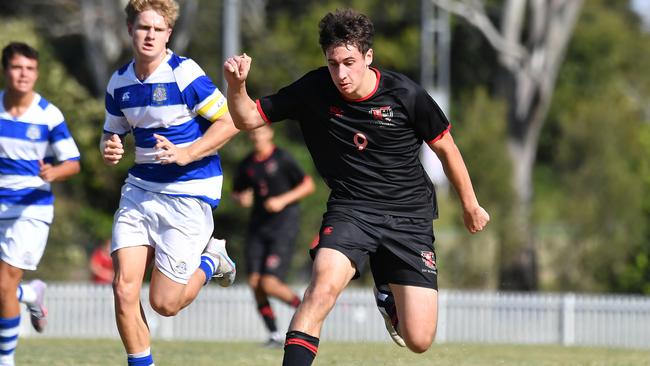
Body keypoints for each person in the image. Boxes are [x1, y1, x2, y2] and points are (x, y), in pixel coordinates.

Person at [224, 8, 490, 365]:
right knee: (320, 292)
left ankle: (386, 292)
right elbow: (247, 119)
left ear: (368, 57)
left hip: (409, 217)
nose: (341, 74)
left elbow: (446, 148)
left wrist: (470, 205)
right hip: (352, 210)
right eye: (333, 64)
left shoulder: (406, 94)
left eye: (349, 62)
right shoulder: (314, 89)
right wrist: (237, 86)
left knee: (420, 339)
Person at [100, 1, 239, 365]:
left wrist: (187, 153)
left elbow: (230, 122)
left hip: (188, 194)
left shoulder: (184, 74)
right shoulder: (119, 82)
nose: (149, 36)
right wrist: (110, 148)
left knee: (164, 304)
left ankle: (212, 259)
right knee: (123, 289)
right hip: (139, 192)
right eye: (143, 28)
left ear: (168, 35)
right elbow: (112, 134)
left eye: (157, 30)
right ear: (130, 30)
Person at [0, 41, 81, 365]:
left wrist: (55, 171)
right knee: (4, 288)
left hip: (32, 208)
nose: (24, 75)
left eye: (30, 69)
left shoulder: (48, 115)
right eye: (18, 67)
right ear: (6, 70)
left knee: (5, 282)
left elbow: (73, 162)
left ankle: (6, 360)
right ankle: (31, 294)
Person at [232, 124, 315, 348]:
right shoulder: (248, 164)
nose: (256, 136)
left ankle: (308, 308)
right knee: (255, 283)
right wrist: (242, 200)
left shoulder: (283, 158)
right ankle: (274, 335)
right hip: (258, 228)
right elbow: (237, 192)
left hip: (283, 227)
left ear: (270, 133)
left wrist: (282, 200)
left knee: (269, 283)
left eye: (260, 131)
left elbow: (308, 185)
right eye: (253, 133)